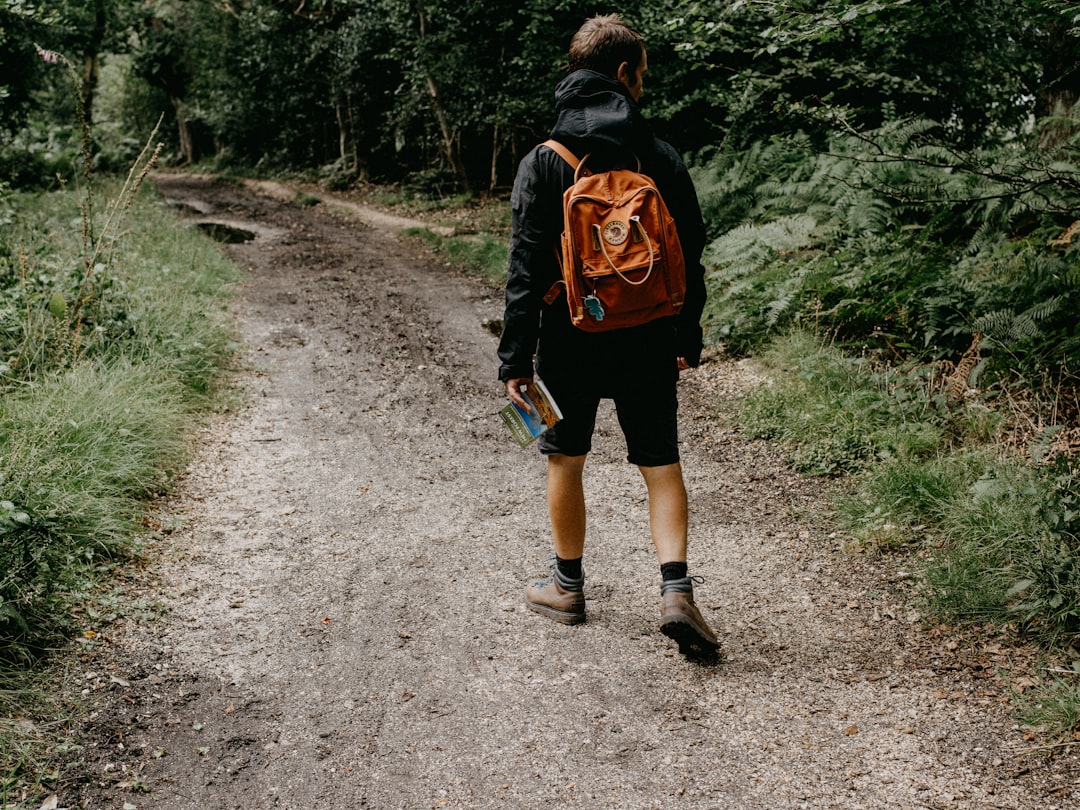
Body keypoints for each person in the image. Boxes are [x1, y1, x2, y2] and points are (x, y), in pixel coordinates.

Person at [498, 14, 718, 658]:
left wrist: (515, 357)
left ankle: (567, 586)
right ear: (624, 74)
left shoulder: (546, 161)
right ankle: (675, 589)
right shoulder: (658, 156)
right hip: (649, 334)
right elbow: (691, 254)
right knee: (660, 464)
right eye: (641, 75)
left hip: (569, 337)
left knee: (565, 457)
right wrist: (687, 334)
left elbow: (524, 269)